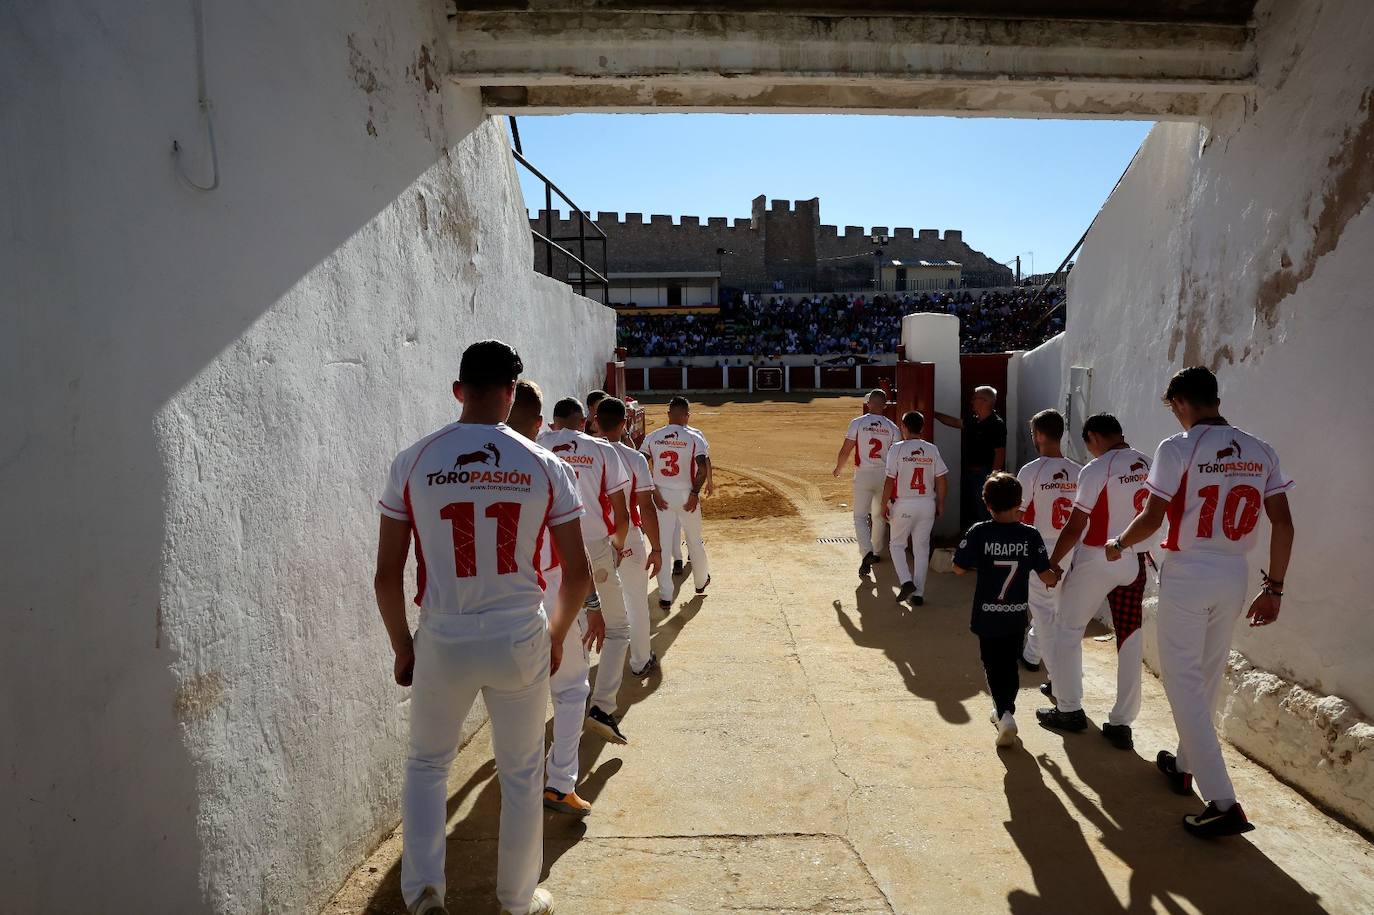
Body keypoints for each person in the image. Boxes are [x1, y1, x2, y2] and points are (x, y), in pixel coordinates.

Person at [374, 340, 588, 915]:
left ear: (457, 391)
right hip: (520, 633)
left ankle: (423, 896)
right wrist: (557, 635)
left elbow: (387, 576)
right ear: (513, 393)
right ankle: (517, 901)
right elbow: (577, 573)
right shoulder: (546, 465)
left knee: (426, 764)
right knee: (521, 772)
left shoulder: (414, 460)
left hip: (444, 634)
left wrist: (402, 647)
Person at [1107, 367, 1294, 838]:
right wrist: (1274, 589)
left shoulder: (1178, 448)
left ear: (1182, 402)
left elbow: (1152, 518)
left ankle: (1223, 799)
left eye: (1173, 407)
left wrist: (1119, 543)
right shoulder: (1260, 448)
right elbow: (1284, 525)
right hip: (1234, 572)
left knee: (1182, 681)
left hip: (1189, 570)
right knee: (1207, 675)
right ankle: (1186, 765)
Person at [506, 381, 603, 819]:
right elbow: (576, 558)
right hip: (545, 590)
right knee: (568, 691)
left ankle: (518, 785)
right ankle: (559, 783)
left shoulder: (449, 463)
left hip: (487, 598)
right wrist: (592, 607)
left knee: (511, 699)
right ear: (540, 424)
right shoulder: (550, 467)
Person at [1036, 414, 1153, 749]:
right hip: (1134, 558)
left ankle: (1069, 709)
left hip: (1097, 556)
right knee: (1130, 636)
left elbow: (1075, 526)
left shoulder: (1097, 468)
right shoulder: (1148, 461)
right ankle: (1122, 723)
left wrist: (1053, 562)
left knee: (1068, 629)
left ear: (1093, 437)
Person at [539, 398, 635, 745]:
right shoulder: (603, 449)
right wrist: (617, 548)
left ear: (552, 422)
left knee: (560, 629)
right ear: (585, 422)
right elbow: (621, 515)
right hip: (594, 546)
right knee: (618, 628)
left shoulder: (539, 446)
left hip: (551, 551)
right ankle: (601, 706)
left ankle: (557, 707)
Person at [953, 473, 1056, 749]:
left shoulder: (979, 532)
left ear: (987, 504)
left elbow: (958, 568)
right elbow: (1046, 575)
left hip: (987, 613)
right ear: (1020, 503)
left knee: (991, 661)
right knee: (1010, 663)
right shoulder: (1030, 534)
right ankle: (1006, 707)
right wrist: (1057, 578)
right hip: (1015, 613)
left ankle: (1003, 712)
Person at [596, 396, 665, 677]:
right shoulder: (634, 458)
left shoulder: (586, 455)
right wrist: (657, 548)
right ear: (625, 423)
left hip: (591, 539)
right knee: (635, 601)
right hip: (628, 537)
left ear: (596, 422)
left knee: (588, 604)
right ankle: (639, 661)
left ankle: (580, 672)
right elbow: (646, 508)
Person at [1013, 410, 1082, 676]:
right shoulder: (1079, 470)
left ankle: (1058, 678)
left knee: (1043, 612)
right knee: (1054, 607)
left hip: (1041, 548)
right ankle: (1031, 655)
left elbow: (1018, 514)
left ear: (1039, 435)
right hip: (1072, 547)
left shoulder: (1030, 470)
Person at [640, 396, 712, 609]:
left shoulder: (653, 437)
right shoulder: (694, 437)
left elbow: (641, 465)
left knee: (660, 545)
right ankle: (700, 583)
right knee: (694, 541)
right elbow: (702, 467)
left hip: (661, 496)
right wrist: (694, 493)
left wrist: (653, 490)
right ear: (687, 416)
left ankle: (665, 596)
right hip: (685, 494)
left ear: (668, 414)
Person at [881, 411, 948, 606]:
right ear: (922, 427)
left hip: (905, 503)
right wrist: (941, 503)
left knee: (896, 544)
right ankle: (919, 593)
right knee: (921, 548)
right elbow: (942, 479)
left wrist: (883, 503)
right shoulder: (931, 449)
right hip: (927, 503)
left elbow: (889, 481)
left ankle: (906, 581)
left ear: (904, 427)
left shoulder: (897, 449)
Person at [833, 389, 902, 576]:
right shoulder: (892, 427)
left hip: (863, 474)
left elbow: (846, 450)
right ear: (885, 406)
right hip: (884, 475)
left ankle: (867, 552)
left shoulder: (857, 423)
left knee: (860, 516)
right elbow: (897, 457)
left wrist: (838, 468)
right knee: (879, 516)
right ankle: (877, 551)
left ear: (869, 404)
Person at [935, 385, 1007, 529]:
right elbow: (955, 422)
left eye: (975, 398)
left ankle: (987, 543)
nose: (972, 402)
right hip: (972, 473)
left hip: (985, 474)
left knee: (985, 512)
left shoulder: (996, 424)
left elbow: (999, 452)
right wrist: (934, 413)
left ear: (985, 401)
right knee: (975, 510)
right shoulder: (975, 420)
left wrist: (993, 478)